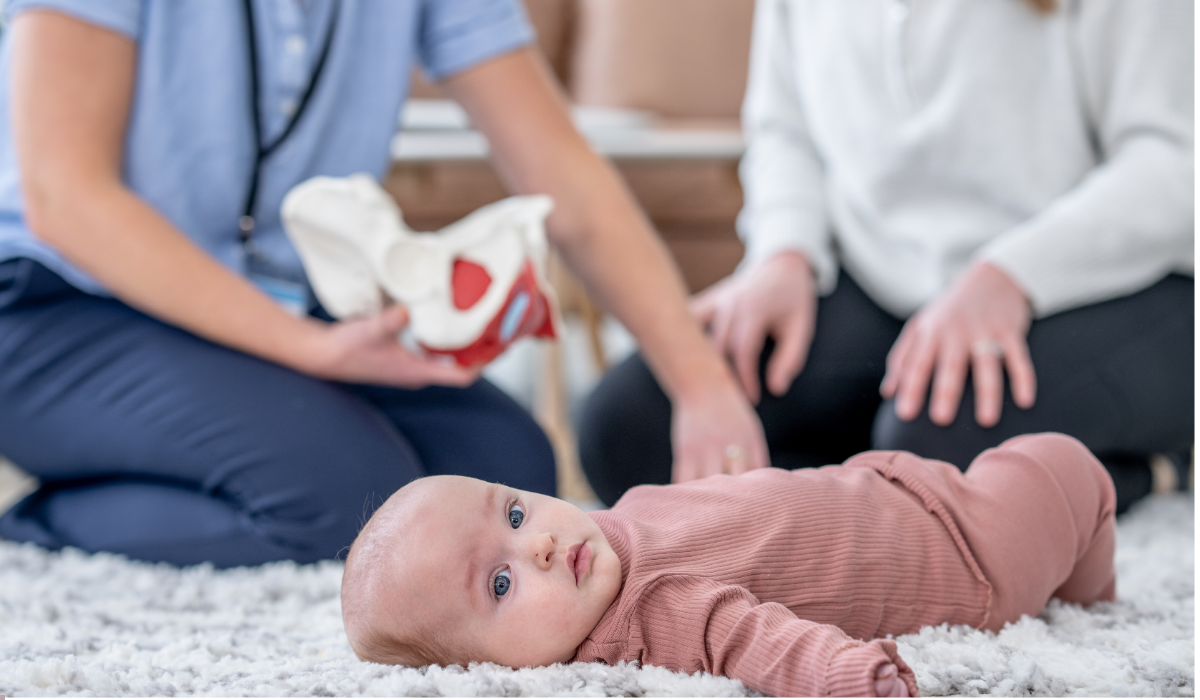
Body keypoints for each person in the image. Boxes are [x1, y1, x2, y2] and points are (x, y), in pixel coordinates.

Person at [0, 0, 765, 567]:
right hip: (50, 306)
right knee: (347, 497)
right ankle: (32, 532)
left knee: (504, 473)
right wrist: (309, 349)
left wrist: (700, 385)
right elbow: (67, 200)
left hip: (272, 308)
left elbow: (563, 174)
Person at [578, 0, 1194, 513]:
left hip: (1104, 284)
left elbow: (1176, 163)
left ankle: (1151, 468)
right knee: (629, 429)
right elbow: (784, 132)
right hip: (884, 281)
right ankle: (875, 474)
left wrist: (1007, 276)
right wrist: (784, 254)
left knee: (935, 465)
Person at [341, 432, 1116, 698]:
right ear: (486, 669)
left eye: (513, 513)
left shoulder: (590, 547)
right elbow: (760, 642)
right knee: (1066, 468)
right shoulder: (651, 615)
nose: (536, 542)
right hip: (968, 555)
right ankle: (1092, 595)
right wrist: (850, 676)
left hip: (891, 489)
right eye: (501, 583)